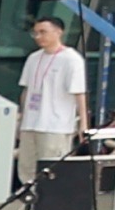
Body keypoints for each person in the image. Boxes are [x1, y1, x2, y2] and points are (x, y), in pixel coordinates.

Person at [17, 16, 91, 163]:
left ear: (58, 32)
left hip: (55, 126)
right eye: (35, 33)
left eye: (43, 32)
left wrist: (83, 125)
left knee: (50, 167)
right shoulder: (33, 58)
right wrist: (22, 118)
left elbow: (79, 93)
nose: (38, 37)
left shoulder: (71, 59)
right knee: (26, 167)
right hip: (30, 123)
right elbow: (26, 90)